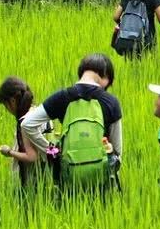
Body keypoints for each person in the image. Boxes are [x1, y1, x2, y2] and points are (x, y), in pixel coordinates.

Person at [20, 54, 123, 190]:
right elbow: (117, 151)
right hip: (101, 181)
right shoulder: (111, 101)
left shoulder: (62, 96)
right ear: (105, 76)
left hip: (69, 178)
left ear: (81, 72)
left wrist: (52, 151)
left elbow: (27, 124)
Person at [0, 77, 50, 191]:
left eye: (6, 106)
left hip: (33, 184)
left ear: (12, 101)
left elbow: (32, 157)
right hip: (49, 176)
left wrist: (9, 152)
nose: (7, 110)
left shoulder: (26, 123)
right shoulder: (40, 113)